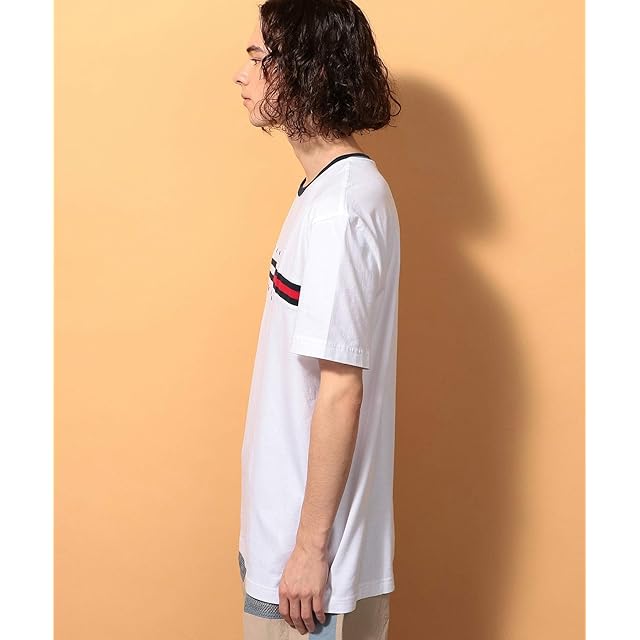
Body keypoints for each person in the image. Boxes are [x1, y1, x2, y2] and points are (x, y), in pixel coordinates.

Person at [232, 1, 401, 637]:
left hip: (309, 578)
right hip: (285, 549)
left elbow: (341, 387)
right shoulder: (326, 194)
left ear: (304, 68)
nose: (242, 74)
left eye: (257, 57)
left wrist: (308, 551)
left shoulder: (341, 210)